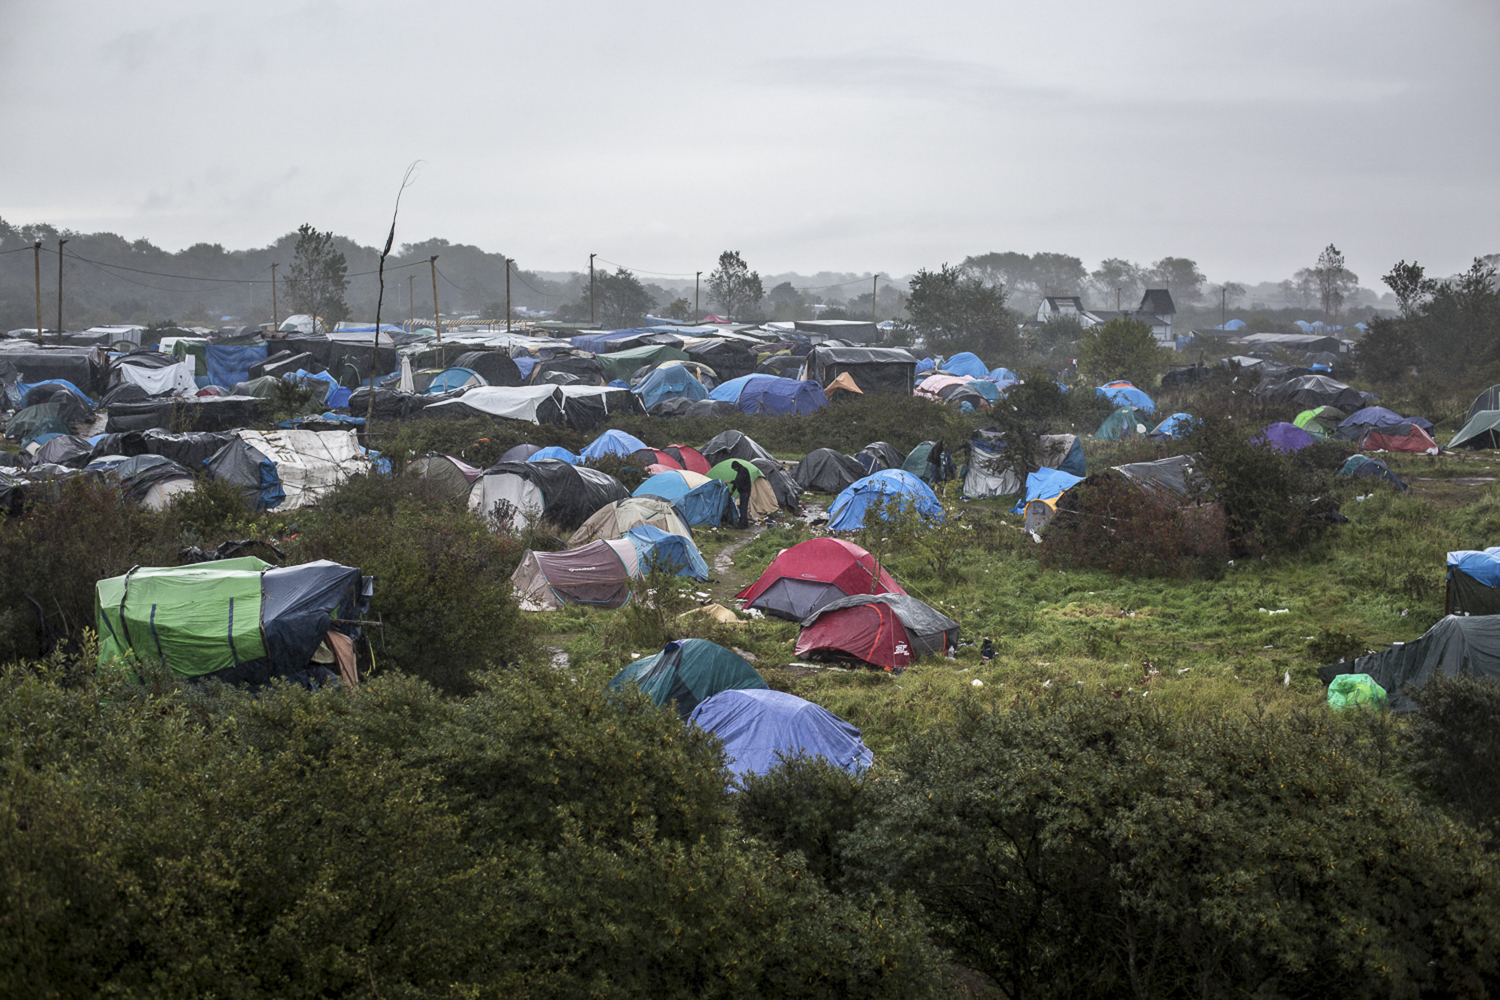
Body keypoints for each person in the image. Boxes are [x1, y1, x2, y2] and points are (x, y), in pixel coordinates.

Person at [731, 461, 753, 528]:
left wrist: (731, 482)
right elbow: (737, 481)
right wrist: (732, 490)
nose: (734, 470)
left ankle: (743, 524)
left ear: (736, 467)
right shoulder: (739, 471)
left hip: (745, 492)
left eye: (734, 469)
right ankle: (743, 522)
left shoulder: (743, 470)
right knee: (742, 507)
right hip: (742, 492)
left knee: (743, 508)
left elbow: (739, 481)